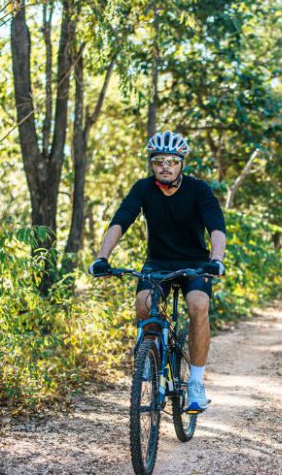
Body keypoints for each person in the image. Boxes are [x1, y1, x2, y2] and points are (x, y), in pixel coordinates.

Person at [88, 130, 226, 412]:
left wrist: (217, 258)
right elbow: (121, 221)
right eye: (159, 160)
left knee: (198, 304)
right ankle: (152, 353)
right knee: (144, 303)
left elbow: (216, 227)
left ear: (181, 164)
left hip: (195, 263)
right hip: (158, 262)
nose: (165, 166)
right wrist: (102, 256)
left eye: (172, 161)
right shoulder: (143, 189)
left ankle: (197, 383)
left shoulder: (198, 189)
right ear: (152, 164)